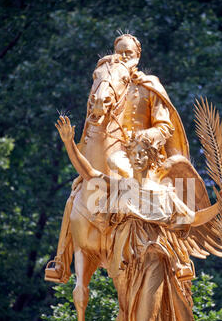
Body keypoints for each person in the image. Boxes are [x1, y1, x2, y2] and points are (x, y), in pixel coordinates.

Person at [55, 115, 222, 321]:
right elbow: (88, 173)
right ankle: (60, 258)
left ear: (152, 158)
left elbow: (192, 218)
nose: (136, 157)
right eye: (133, 152)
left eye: (142, 153)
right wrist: (69, 142)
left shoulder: (165, 193)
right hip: (126, 263)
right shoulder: (119, 187)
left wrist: (220, 206)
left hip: (154, 260)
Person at [45, 34, 191, 283]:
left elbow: (165, 127)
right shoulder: (108, 79)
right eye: (119, 51)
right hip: (107, 149)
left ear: (138, 55)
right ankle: (60, 261)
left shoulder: (149, 85)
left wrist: (144, 138)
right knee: (77, 192)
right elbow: (95, 115)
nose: (124, 56)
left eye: (128, 52)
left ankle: (180, 257)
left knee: (158, 192)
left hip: (141, 155)